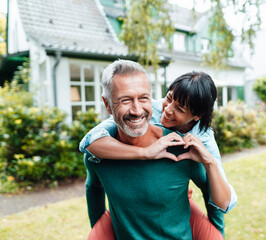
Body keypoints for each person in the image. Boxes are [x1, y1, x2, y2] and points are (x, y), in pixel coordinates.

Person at [84, 59, 232, 239]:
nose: (137, 110)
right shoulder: (100, 152)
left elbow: (220, 201)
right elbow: (89, 144)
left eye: (143, 98)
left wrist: (216, 232)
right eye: (125, 100)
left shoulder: (191, 145)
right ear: (107, 104)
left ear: (195, 116)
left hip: (178, 206)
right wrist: (145, 153)